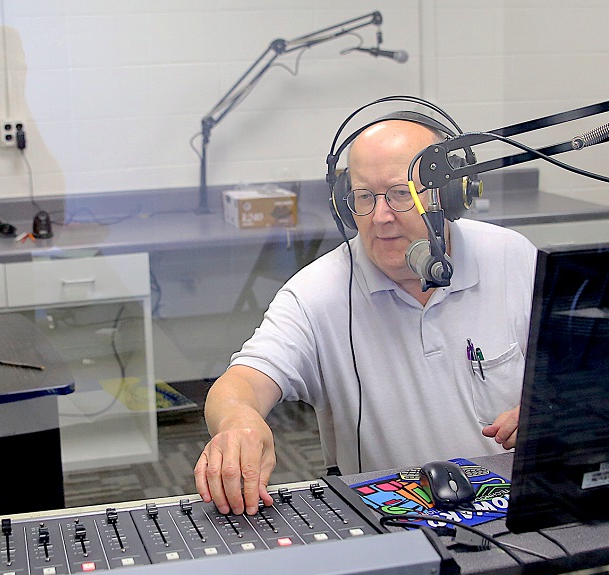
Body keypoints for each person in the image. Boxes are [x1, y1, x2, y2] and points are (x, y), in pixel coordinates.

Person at [195, 115, 538, 515]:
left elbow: (582, 373)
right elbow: (242, 381)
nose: (380, 217)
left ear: (449, 193)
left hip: (523, 503)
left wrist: (552, 408)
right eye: (364, 197)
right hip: (397, 519)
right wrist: (238, 421)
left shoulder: (513, 257)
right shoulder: (317, 293)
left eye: (399, 193)